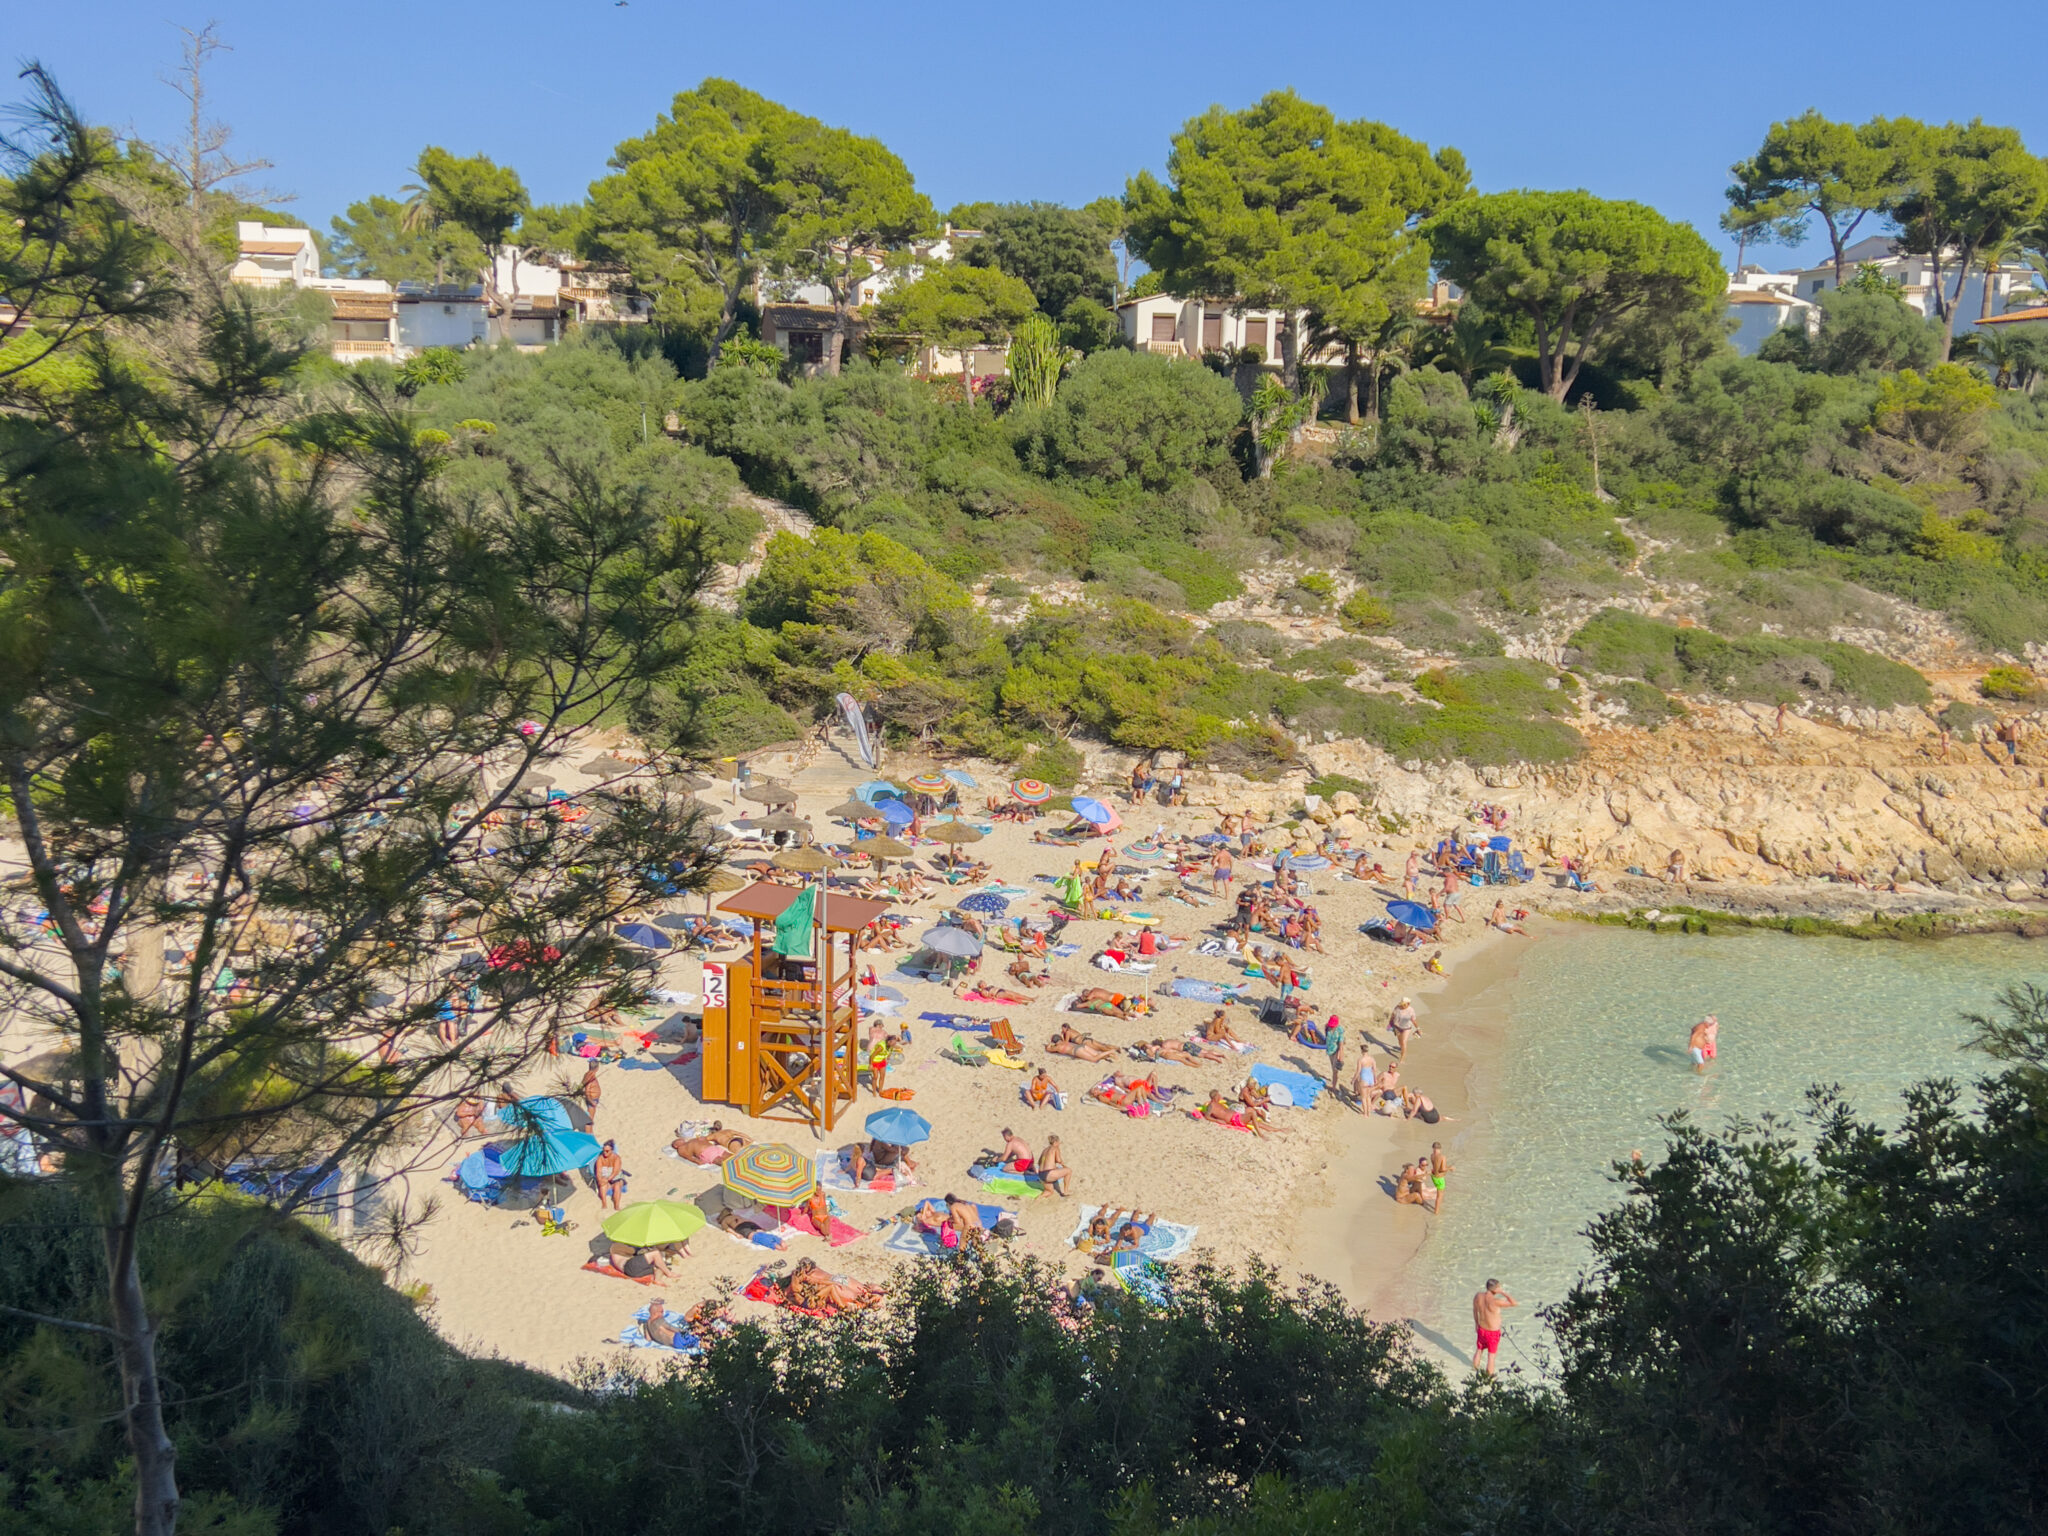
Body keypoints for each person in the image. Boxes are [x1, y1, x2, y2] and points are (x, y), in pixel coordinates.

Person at [788, 1257, 885, 1311]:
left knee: (859, 1294)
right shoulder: (811, 1274)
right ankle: (873, 1297)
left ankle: (871, 1300)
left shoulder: (807, 1276)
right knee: (862, 1291)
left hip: (836, 1282)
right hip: (838, 1281)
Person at [1472, 1279, 1518, 1375]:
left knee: (1479, 1350)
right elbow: (1514, 1303)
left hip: (1481, 1329)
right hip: (1492, 1333)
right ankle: (1489, 1380)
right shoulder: (1496, 1301)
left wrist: (1476, 1324)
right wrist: (1503, 1292)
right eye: (1499, 1287)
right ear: (1495, 1289)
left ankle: (1474, 1371)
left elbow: (1475, 1310)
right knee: (1491, 1357)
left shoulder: (1478, 1296)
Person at [594, 1139, 627, 1211]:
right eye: (604, 1150)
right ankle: (604, 1203)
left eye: (607, 1151)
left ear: (612, 1150)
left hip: (615, 1177)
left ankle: (617, 1205)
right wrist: (600, 1180)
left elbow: (615, 1172)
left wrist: (607, 1180)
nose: (605, 1153)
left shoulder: (616, 1158)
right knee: (602, 1186)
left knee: (617, 1186)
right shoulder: (600, 1159)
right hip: (605, 1176)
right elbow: (598, 1172)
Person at [1322, 1014, 1346, 1090]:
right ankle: (1333, 1082)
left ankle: (1334, 1087)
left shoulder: (1339, 1031)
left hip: (1336, 1051)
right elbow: (1326, 1037)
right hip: (1329, 1050)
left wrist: (1340, 1058)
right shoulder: (1327, 1027)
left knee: (1335, 1071)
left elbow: (1341, 1046)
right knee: (1332, 1068)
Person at [1429, 1141, 1453, 1213]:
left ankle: (1437, 1209)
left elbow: (1436, 1166)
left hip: (1433, 1177)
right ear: (1440, 1148)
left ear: (1433, 1148)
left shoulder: (1432, 1155)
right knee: (1439, 1196)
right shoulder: (1442, 1157)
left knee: (1439, 1193)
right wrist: (1450, 1168)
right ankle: (1436, 1212)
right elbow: (1442, 1169)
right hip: (1439, 1179)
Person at [579, 1064, 602, 1130]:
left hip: (593, 1098)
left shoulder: (588, 1074)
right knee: (589, 1120)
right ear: (597, 1068)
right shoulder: (590, 1077)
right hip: (592, 1099)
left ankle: (590, 1132)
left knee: (590, 1118)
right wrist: (591, 1101)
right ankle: (588, 1134)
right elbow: (587, 1090)